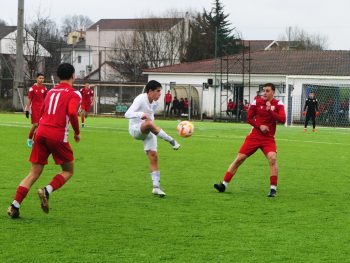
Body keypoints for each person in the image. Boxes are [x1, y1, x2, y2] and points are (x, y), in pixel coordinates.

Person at [7, 63, 81, 218]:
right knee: (68, 170)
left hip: (40, 132)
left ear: (59, 76)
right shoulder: (74, 94)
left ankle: (14, 205)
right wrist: (77, 132)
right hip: (57, 135)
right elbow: (73, 113)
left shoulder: (50, 92)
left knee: (33, 172)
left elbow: (41, 112)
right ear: (73, 75)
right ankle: (47, 190)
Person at [214, 83, 286, 197]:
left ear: (273, 92)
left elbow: (283, 119)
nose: (265, 93)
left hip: (268, 138)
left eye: (267, 91)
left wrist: (271, 111)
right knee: (239, 159)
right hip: (255, 136)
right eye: (264, 90)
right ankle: (223, 184)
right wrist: (260, 126)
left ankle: (273, 189)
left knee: (272, 158)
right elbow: (249, 118)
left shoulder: (278, 104)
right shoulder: (256, 102)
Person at [125, 80, 180, 197]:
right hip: (136, 129)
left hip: (148, 131)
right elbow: (127, 114)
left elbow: (151, 119)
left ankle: (156, 187)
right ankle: (171, 140)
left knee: (154, 157)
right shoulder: (140, 98)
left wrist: (150, 122)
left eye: (160, 91)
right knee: (149, 124)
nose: (160, 94)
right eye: (158, 91)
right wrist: (140, 115)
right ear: (150, 91)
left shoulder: (154, 103)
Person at [25, 73, 47, 148]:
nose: (41, 80)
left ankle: (35, 141)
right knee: (35, 125)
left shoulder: (44, 89)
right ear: (36, 79)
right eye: (40, 78)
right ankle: (29, 139)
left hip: (42, 110)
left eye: (42, 78)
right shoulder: (32, 89)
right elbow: (29, 100)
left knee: (40, 126)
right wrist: (27, 110)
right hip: (34, 109)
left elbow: (45, 100)